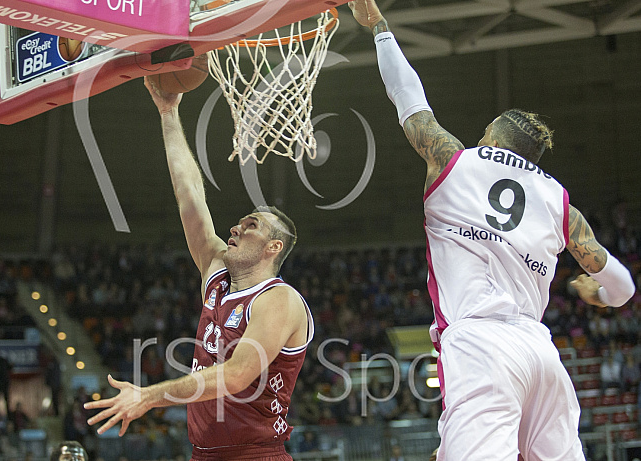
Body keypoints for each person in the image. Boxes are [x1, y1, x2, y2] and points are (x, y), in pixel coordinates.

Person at [348, 1, 636, 459]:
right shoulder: (561, 204)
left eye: (484, 135)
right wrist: (595, 296)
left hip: (481, 344)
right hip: (540, 351)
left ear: (497, 141)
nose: (480, 141)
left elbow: (409, 100)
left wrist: (380, 28)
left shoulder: (454, 161)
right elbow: (623, 288)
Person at [85, 77, 314, 460]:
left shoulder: (279, 300)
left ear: (273, 249)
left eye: (251, 226)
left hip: (256, 455)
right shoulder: (217, 273)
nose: (236, 228)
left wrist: (148, 397)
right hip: (203, 453)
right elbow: (188, 193)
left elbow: (239, 374)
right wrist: (169, 113)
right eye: (240, 222)